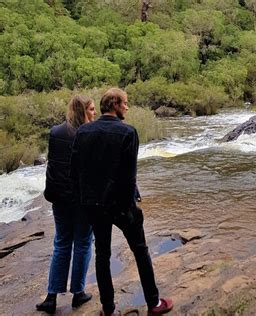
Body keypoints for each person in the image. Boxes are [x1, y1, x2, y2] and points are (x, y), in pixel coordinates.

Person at [70, 88, 173, 316]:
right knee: (141, 251)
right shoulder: (128, 132)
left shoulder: (83, 132)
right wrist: (131, 208)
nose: (127, 107)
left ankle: (108, 310)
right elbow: (129, 177)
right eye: (125, 103)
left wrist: (84, 202)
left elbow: (75, 171)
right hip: (120, 206)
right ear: (115, 104)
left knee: (102, 256)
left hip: (93, 205)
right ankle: (154, 303)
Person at [36, 96, 97, 314]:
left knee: (61, 243)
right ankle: (78, 293)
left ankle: (51, 297)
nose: (95, 113)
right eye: (91, 109)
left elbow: (54, 165)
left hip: (60, 198)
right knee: (82, 243)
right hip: (82, 200)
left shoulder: (55, 132)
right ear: (83, 111)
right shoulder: (89, 134)